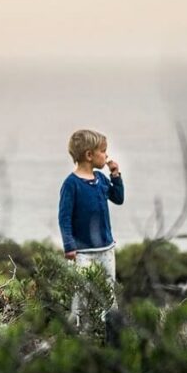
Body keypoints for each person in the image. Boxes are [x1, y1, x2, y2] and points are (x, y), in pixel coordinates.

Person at [57, 129, 124, 328]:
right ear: (89, 155)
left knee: (108, 292)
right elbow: (64, 218)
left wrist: (115, 175)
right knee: (81, 294)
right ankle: (78, 331)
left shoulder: (102, 179)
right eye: (103, 151)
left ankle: (111, 333)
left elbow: (118, 198)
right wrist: (69, 246)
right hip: (82, 253)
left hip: (106, 249)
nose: (107, 155)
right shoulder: (71, 184)